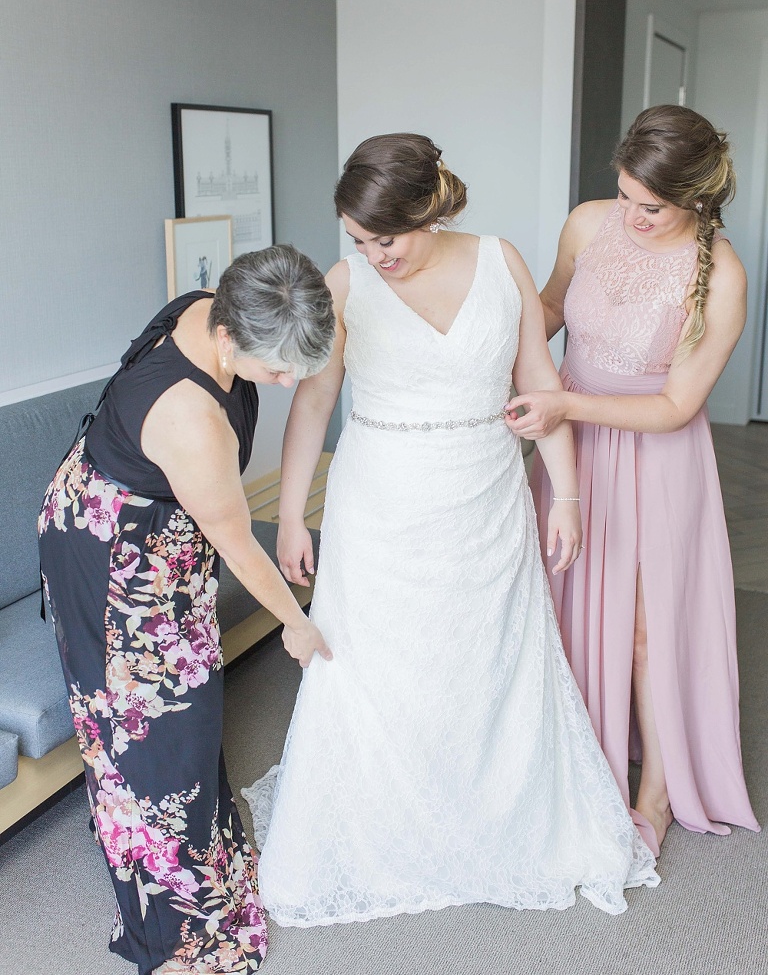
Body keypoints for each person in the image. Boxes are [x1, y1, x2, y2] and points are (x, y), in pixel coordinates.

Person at [242, 133, 658, 927]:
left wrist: (565, 495)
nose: (374, 255)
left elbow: (540, 382)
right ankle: (382, 824)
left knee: (485, 661)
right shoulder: (344, 282)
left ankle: (493, 815)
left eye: (386, 238)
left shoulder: (502, 262)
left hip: (486, 498)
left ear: (430, 208)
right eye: (359, 240)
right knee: (377, 665)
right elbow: (316, 406)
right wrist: (293, 513)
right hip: (379, 504)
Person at [38, 246, 336, 975]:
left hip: (159, 530)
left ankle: (198, 850)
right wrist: (297, 624)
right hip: (111, 556)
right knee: (147, 725)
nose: (288, 381)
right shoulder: (190, 418)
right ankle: (174, 924)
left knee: (187, 711)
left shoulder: (218, 301)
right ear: (230, 338)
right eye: (277, 370)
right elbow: (238, 545)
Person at [508, 105, 761, 857]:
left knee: (649, 629)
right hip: (569, 446)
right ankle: (576, 754)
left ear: (697, 199)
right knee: (558, 598)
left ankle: (653, 791)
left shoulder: (724, 277)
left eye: (651, 205)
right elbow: (549, 308)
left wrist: (563, 402)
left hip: (656, 460)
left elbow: (678, 405)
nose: (632, 214)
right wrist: (499, 358)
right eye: (624, 195)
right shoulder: (588, 224)